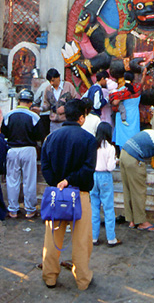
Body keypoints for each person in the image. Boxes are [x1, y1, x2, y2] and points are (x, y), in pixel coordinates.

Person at [41, 99, 97, 290]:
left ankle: (49, 277)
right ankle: (82, 280)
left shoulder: (51, 138)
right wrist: (70, 180)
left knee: (52, 239)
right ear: (81, 118)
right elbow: (88, 169)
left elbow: (46, 167)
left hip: (56, 194)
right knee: (82, 241)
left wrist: (58, 183)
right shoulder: (89, 139)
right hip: (79, 194)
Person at [1, 89, 43, 218]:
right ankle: (30, 209)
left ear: (19, 101)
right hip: (29, 149)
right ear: (30, 103)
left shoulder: (8, 115)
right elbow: (40, 136)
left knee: (12, 180)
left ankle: (13, 210)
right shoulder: (35, 117)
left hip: (12, 149)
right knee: (29, 180)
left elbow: (4, 133)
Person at [90, 122, 122, 247]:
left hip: (93, 176)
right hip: (105, 177)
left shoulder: (92, 145)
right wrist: (115, 160)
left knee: (94, 208)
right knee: (108, 208)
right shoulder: (110, 148)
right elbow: (110, 167)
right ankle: (111, 238)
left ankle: (93, 237)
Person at [110, 68, 147, 150]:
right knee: (134, 140)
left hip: (123, 117)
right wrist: (144, 74)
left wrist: (122, 95)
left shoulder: (122, 90)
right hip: (133, 116)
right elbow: (142, 83)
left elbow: (115, 103)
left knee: (122, 142)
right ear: (133, 79)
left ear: (124, 79)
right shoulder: (137, 89)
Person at [33, 68, 78, 133]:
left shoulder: (68, 87)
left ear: (58, 77)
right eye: (50, 81)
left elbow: (75, 102)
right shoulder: (48, 89)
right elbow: (47, 104)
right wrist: (40, 109)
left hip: (66, 121)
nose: (51, 83)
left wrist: (66, 108)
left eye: (53, 80)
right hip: (53, 122)